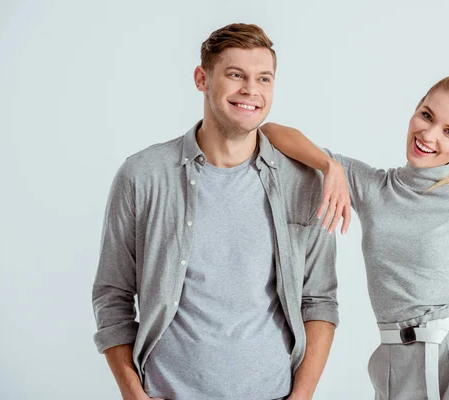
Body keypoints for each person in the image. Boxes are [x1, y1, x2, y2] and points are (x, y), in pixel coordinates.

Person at [92, 23, 338, 400]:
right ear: (202, 79)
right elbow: (113, 294)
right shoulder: (143, 175)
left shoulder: (303, 183)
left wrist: (301, 396)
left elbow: (318, 299)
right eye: (235, 74)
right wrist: (131, 391)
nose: (250, 91)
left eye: (264, 79)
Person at [262, 75, 449, 400]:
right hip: (395, 365)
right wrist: (331, 166)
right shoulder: (373, 188)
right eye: (426, 115)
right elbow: (271, 134)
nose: (428, 134)